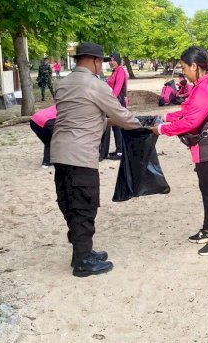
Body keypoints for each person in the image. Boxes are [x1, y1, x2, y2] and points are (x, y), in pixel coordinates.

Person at [50, 42, 141, 277]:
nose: (102, 66)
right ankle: (83, 262)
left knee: (69, 201)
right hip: (81, 155)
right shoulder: (95, 85)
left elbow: (81, 116)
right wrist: (141, 127)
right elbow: (120, 113)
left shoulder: (64, 83)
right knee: (84, 205)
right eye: (101, 61)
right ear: (94, 61)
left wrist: (107, 122)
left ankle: (82, 251)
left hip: (60, 152)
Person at [151, 46, 208, 256]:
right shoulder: (202, 84)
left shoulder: (207, 85)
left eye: (184, 68)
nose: (183, 73)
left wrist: (162, 129)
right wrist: (167, 117)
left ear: (195, 66)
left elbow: (191, 120)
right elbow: (190, 110)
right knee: (206, 189)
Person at [106, 52, 128, 160]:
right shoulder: (114, 72)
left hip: (117, 102)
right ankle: (119, 149)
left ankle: (120, 152)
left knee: (118, 126)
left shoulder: (120, 71)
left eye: (114, 60)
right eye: (110, 60)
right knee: (115, 126)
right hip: (114, 101)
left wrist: (111, 101)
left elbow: (118, 88)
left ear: (118, 60)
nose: (111, 62)